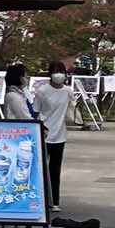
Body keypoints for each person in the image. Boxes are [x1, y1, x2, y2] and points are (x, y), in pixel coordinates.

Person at [29, 60, 72, 207]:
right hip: (44, 134)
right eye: (55, 71)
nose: (59, 75)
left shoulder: (67, 91)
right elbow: (35, 112)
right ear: (50, 74)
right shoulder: (43, 91)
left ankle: (55, 201)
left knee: (55, 169)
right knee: (40, 169)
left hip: (60, 134)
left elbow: (71, 107)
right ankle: (40, 199)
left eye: (61, 71)